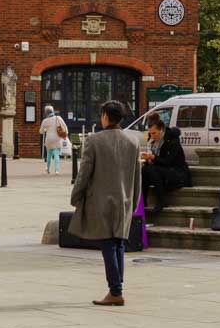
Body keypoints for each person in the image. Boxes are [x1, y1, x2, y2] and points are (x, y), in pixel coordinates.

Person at [70, 99, 140, 306]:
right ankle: (117, 287)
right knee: (118, 243)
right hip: (124, 200)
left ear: (106, 117)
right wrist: (134, 201)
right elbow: (137, 176)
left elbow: (84, 173)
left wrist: (76, 195)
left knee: (108, 244)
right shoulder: (133, 141)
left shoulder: (94, 141)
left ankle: (116, 291)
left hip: (101, 201)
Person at [140, 114, 189, 216]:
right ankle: (142, 201)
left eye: (154, 133)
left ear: (161, 130)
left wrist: (153, 158)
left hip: (177, 172)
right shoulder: (151, 139)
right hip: (161, 171)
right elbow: (156, 161)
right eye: (150, 133)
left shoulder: (172, 139)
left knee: (152, 170)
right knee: (144, 169)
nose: (152, 136)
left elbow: (168, 161)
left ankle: (162, 199)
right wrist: (148, 159)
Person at [40, 106, 69, 177]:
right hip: (57, 138)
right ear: (53, 111)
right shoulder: (58, 118)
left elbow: (41, 131)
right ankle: (57, 170)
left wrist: (45, 130)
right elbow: (65, 127)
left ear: (46, 113)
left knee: (49, 155)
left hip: (49, 139)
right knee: (56, 155)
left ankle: (48, 169)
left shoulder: (45, 121)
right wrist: (65, 134)